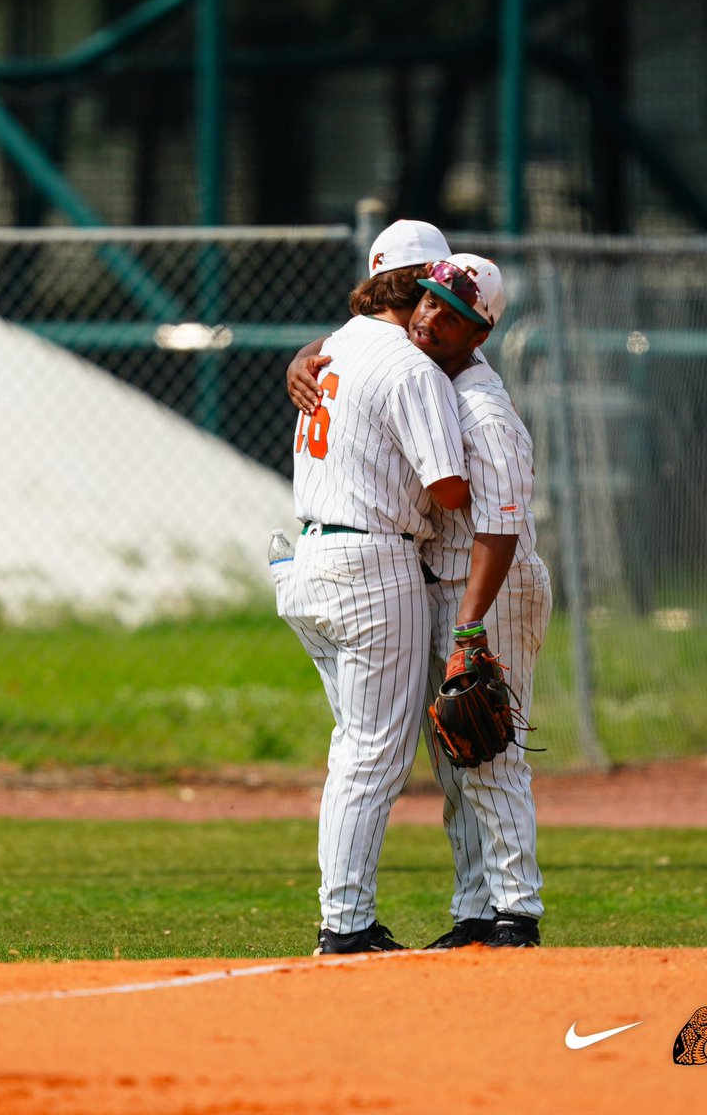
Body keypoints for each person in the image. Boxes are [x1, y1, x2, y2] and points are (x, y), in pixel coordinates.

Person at [289, 243, 551, 950]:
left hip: (490, 585)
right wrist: (308, 353)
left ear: (480, 332)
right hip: (442, 583)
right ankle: (476, 911)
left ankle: (515, 913)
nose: (434, 318)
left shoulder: (482, 411)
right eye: (429, 300)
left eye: (455, 311)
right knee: (455, 753)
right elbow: (366, 341)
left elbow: (498, 528)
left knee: (489, 750)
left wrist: (470, 633)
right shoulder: (424, 369)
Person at [277, 219, 470, 956]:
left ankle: (345, 918)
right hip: (372, 565)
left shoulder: (334, 346)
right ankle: (346, 925)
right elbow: (448, 488)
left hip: (309, 560)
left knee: (357, 747)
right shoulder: (409, 365)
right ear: (423, 282)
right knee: (373, 753)